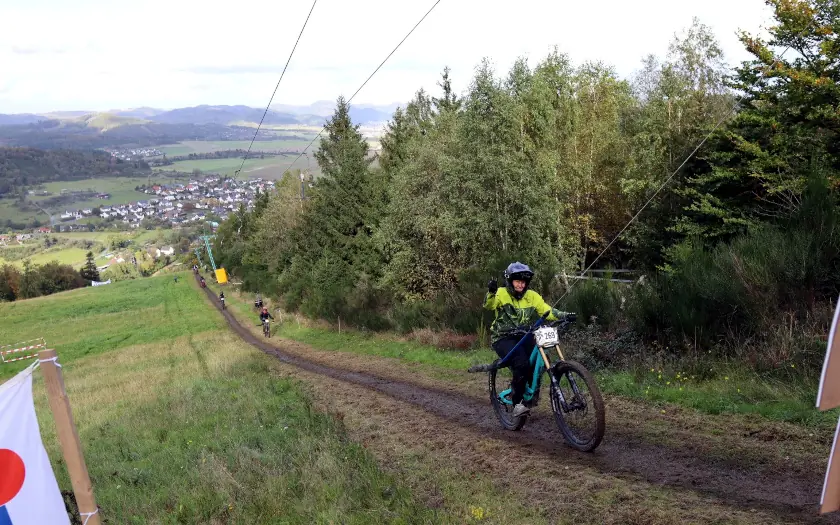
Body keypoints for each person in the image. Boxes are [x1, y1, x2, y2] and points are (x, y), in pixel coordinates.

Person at [484, 261, 572, 418]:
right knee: (521, 362)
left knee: (540, 361)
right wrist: (491, 292)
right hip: (503, 337)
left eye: (523, 282)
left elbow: (547, 311)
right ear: (510, 281)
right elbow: (489, 305)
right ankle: (517, 402)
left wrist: (565, 315)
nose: (520, 285)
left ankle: (529, 393)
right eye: (517, 281)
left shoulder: (532, 296)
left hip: (523, 334)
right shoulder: (501, 293)